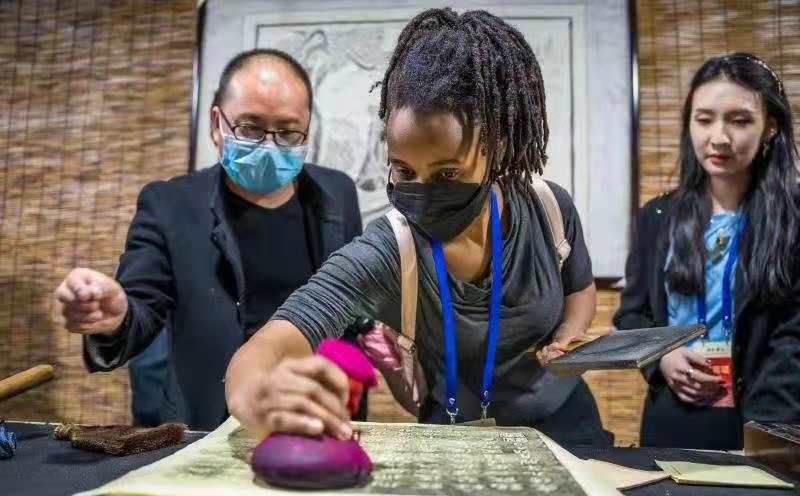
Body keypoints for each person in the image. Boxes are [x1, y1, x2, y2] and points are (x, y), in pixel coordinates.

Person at [225, 8, 607, 446]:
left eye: (447, 173)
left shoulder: (548, 208)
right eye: (404, 171)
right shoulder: (389, 251)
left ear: (496, 148)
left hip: (569, 434)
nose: (423, 193)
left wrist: (569, 334)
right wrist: (255, 393)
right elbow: (279, 337)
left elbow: (579, 290)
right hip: (456, 444)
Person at [54, 49, 362, 430]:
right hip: (209, 426)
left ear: (307, 130)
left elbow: (353, 305)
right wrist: (114, 318)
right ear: (218, 124)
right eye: (250, 128)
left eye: (287, 132)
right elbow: (141, 311)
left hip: (319, 418)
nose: (269, 146)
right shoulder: (169, 205)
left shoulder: (337, 195)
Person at [614, 53, 800, 449]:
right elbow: (632, 314)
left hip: (766, 421)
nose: (719, 137)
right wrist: (662, 357)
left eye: (739, 120)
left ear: (770, 127)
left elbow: (793, 336)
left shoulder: (792, 217)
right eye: (704, 120)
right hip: (671, 417)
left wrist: (766, 432)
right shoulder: (657, 216)